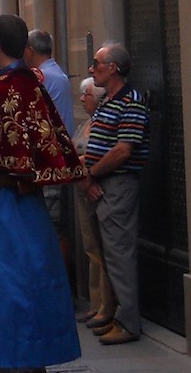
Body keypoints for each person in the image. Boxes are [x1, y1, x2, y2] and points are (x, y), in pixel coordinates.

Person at [0, 14, 84, 373]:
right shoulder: (35, 87)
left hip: (2, 206)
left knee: (6, 290)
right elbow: (54, 144)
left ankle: (12, 360)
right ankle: (33, 358)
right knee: (33, 284)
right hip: (31, 207)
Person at [79, 41, 150, 346]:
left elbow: (123, 150)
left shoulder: (131, 101)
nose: (91, 68)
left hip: (118, 185)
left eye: (96, 63)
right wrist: (89, 176)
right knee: (107, 253)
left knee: (120, 255)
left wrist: (93, 173)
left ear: (114, 68)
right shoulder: (107, 100)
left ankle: (128, 321)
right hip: (101, 184)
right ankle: (113, 313)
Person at [73, 77, 116, 329]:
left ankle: (106, 306)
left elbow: (98, 153)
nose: (81, 99)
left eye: (85, 94)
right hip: (82, 187)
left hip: (95, 189)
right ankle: (95, 302)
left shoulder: (103, 123)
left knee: (102, 249)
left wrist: (85, 170)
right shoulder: (86, 124)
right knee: (90, 246)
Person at [24, 29, 73, 230]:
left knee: (50, 226)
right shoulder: (57, 73)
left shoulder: (43, 77)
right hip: (58, 157)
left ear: (30, 50)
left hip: (49, 160)